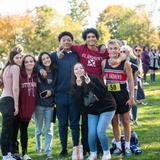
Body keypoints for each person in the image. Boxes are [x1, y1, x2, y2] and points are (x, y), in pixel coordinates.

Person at [38, 31, 81, 159]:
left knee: (74, 123)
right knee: (62, 124)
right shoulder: (54, 55)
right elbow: (39, 61)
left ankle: (75, 148)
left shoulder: (75, 55)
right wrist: (39, 68)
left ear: (72, 41)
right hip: (60, 96)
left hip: (74, 95)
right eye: (64, 40)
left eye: (69, 39)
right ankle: (63, 149)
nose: (66, 42)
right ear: (60, 42)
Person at [71, 62, 116, 160]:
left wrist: (90, 83)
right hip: (92, 110)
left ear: (84, 69)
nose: (79, 71)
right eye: (76, 69)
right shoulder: (74, 84)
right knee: (91, 133)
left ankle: (106, 152)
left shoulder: (93, 78)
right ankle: (93, 153)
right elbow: (78, 102)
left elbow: (102, 93)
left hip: (106, 107)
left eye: (80, 68)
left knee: (100, 131)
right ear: (73, 72)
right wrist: (79, 86)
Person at [102, 39, 134, 157]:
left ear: (119, 50)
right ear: (108, 50)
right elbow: (101, 79)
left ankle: (128, 146)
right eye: (111, 48)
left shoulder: (125, 63)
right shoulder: (104, 62)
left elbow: (130, 81)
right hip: (110, 96)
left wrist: (132, 97)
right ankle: (119, 146)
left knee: (126, 121)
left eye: (115, 48)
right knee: (114, 122)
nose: (113, 51)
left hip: (122, 94)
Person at [11, 55, 37, 160]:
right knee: (14, 131)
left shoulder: (36, 75)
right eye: (26, 62)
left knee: (24, 131)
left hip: (29, 108)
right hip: (18, 107)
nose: (29, 63)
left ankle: (25, 153)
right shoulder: (19, 75)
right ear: (23, 64)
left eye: (31, 61)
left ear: (34, 63)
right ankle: (14, 152)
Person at [34, 52, 57, 160]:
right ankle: (38, 148)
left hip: (51, 106)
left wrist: (51, 92)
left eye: (47, 58)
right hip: (38, 105)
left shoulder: (55, 71)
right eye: (43, 59)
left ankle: (48, 152)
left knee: (49, 130)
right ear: (41, 61)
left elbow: (58, 86)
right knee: (38, 129)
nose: (46, 60)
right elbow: (33, 63)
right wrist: (39, 68)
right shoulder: (37, 71)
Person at [0, 50, 22, 160]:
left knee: (7, 128)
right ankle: (5, 155)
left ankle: (8, 153)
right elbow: (15, 88)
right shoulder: (15, 68)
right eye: (17, 57)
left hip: (3, 100)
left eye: (20, 57)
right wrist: (16, 105)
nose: (19, 59)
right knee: (7, 129)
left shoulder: (6, 68)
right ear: (12, 58)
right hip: (9, 100)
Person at [120, 45, 139, 126]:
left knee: (133, 102)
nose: (122, 53)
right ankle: (122, 121)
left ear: (128, 52)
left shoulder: (133, 59)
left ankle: (135, 120)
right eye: (121, 51)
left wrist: (129, 63)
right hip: (122, 84)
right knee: (123, 103)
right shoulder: (119, 60)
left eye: (124, 51)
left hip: (132, 83)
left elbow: (137, 69)